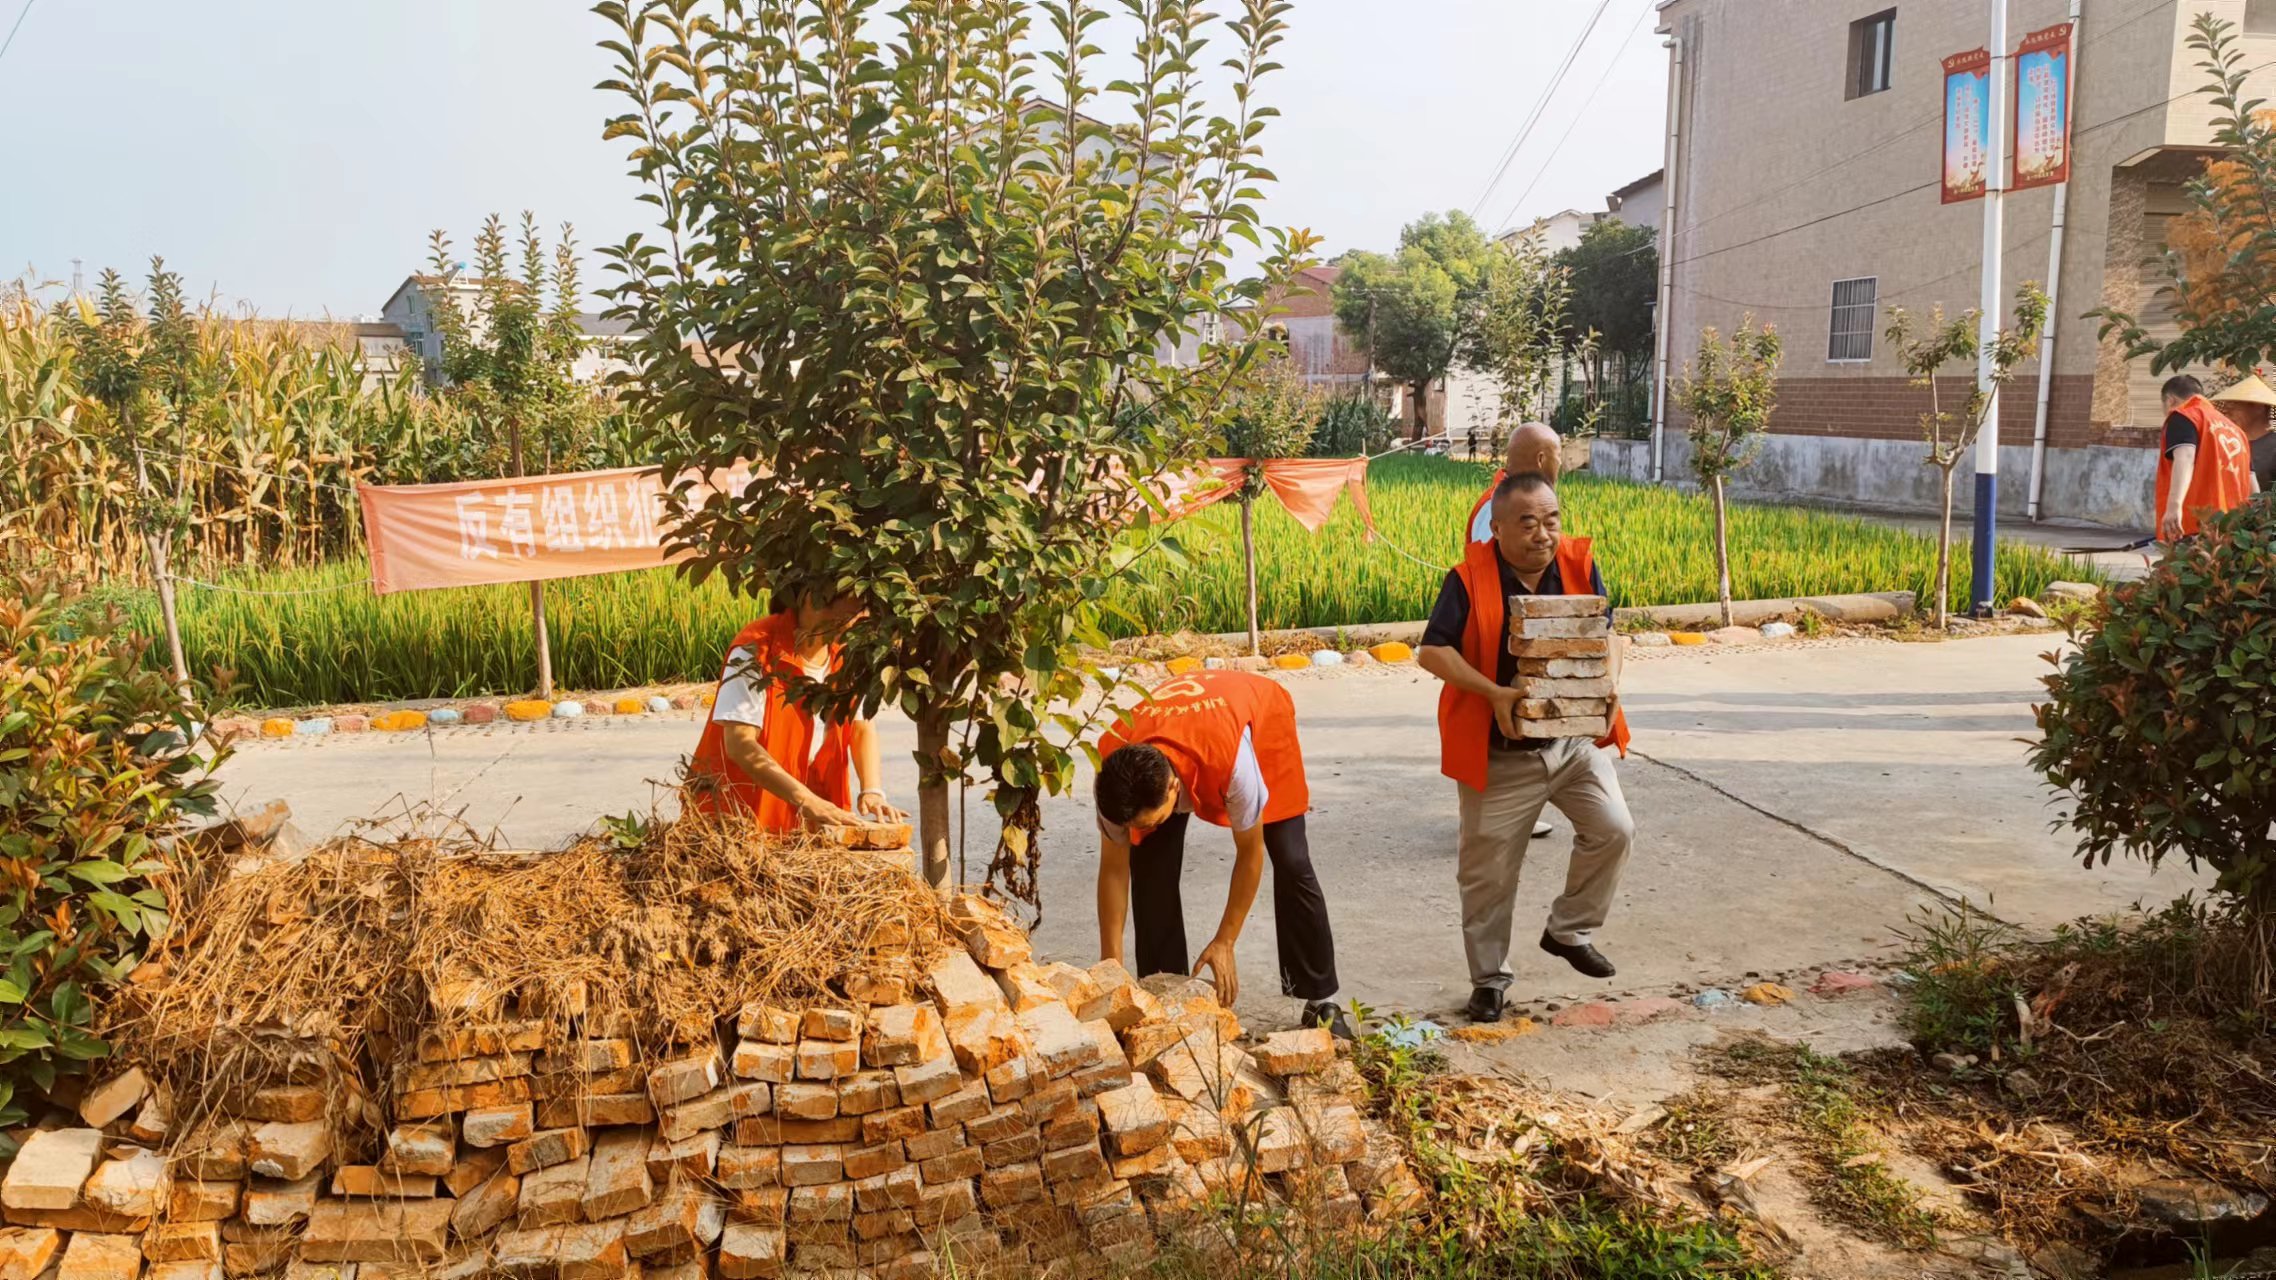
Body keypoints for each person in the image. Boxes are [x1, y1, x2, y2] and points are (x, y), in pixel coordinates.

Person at [1418, 472, 1635, 1024]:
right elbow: (1433, 652)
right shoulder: (1468, 579)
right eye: (1529, 523)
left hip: (1570, 744)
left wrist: (1608, 686)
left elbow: (1608, 634)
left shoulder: (1579, 566)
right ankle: (1489, 981)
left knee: (1614, 828)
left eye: (1552, 520)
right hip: (1499, 756)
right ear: (1497, 529)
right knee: (1487, 876)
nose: (1544, 534)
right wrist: (1493, 693)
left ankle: (1568, 930)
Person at [1093, 669, 1350, 1037]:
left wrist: (1225, 940)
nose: (1142, 829)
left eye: (1151, 820)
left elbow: (1250, 852)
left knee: (1291, 857)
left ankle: (1320, 999)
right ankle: (1168, 993)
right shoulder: (1114, 773)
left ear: (1172, 788)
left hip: (1257, 717)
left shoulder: (1232, 762)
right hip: (1176, 727)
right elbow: (1114, 871)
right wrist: (1110, 970)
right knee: (1149, 867)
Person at [687, 591, 905, 830]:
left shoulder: (847, 653)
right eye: (853, 610)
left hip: (809, 821)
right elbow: (740, 744)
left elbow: (860, 725)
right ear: (812, 597)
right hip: (734, 822)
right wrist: (807, 800)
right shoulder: (755, 649)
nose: (861, 619)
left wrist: (872, 790)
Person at [1465, 419, 1567, 840]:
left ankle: (1498, 815)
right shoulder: (1499, 508)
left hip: (1518, 630)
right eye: (1560, 454)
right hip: (1503, 633)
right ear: (1543, 458)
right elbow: (1482, 571)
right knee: (1494, 729)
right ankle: (1491, 817)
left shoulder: (1508, 500)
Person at [2156, 374, 2255, 543]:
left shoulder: (2185, 416)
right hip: (2234, 532)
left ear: (2170, 400)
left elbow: (2185, 457)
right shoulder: (2236, 431)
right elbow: (2252, 483)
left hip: (2193, 526)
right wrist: (2255, 522)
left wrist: (2174, 507)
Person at [2210, 374, 2276, 497]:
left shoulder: (2273, 447)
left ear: (2258, 407)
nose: (2227, 412)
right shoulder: (2226, 444)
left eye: (2234, 406)